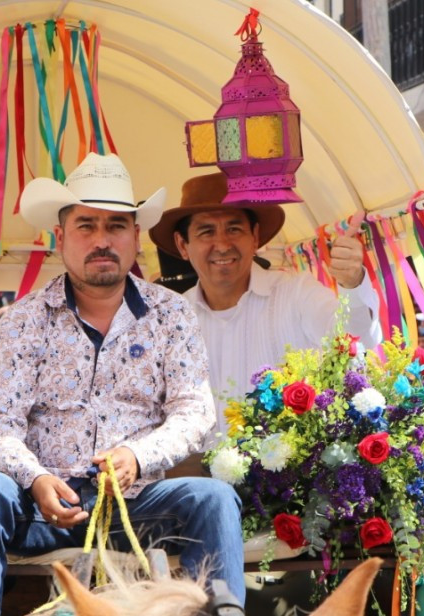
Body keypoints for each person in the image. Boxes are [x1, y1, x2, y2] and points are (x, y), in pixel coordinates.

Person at [0, 154, 241, 616]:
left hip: (139, 507)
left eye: (116, 225)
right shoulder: (23, 320)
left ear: (135, 237)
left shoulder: (171, 314)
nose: (102, 240)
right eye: (86, 226)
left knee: (215, 498)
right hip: (40, 507)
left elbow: (194, 411)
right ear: (59, 237)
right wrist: (36, 479)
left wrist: (138, 457)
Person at [147, 172, 380, 452]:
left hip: (289, 487)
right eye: (206, 232)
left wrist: (352, 284)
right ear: (183, 245)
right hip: (204, 488)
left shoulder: (296, 293)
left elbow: (355, 341)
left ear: (255, 237)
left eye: (234, 229)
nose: (222, 244)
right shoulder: (171, 320)